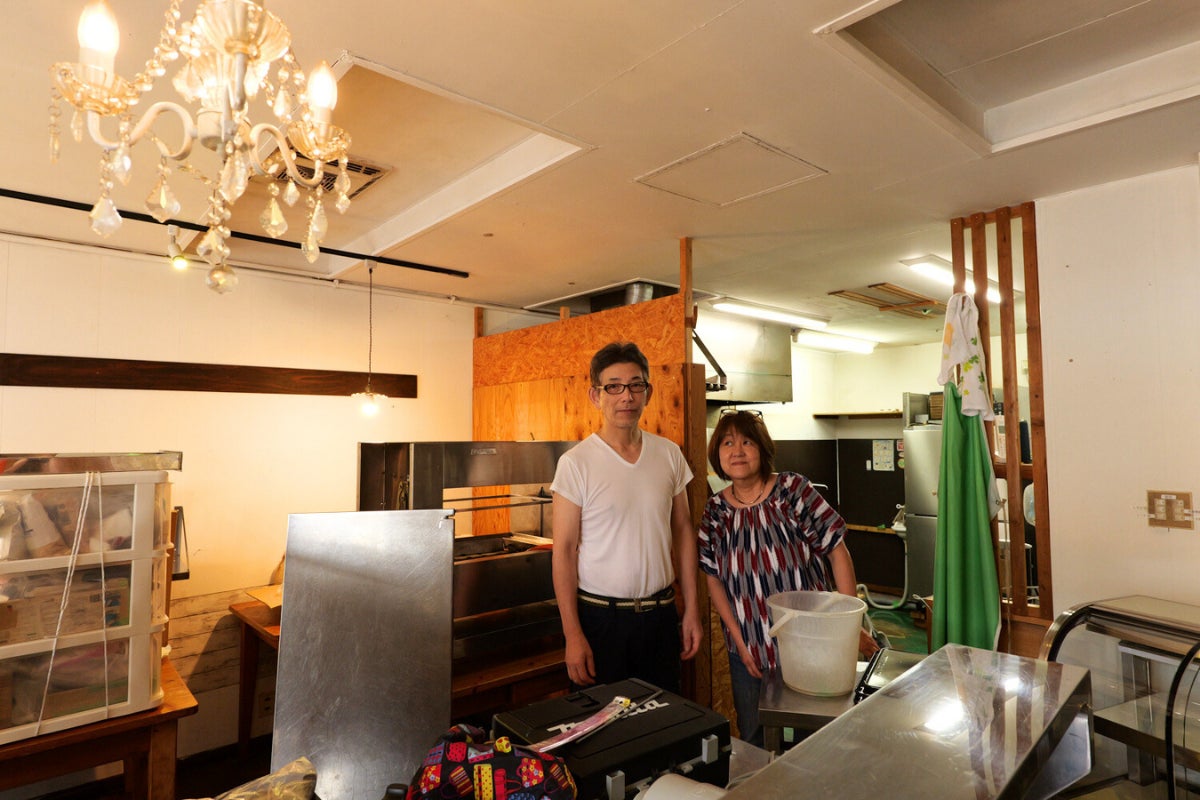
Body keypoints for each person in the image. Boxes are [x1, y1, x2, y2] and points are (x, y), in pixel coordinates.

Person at [698, 409, 878, 745]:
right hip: (749, 646)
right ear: (717, 453)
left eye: (747, 442)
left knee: (817, 738)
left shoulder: (792, 490)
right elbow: (713, 579)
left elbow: (837, 551)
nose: (737, 451)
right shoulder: (716, 511)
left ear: (762, 448)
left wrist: (848, 624)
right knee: (755, 736)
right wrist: (739, 642)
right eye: (727, 443)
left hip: (812, 642)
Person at [551, 341, 702, 693]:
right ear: (596, 395)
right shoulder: (576, 463)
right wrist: (572, 634)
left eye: (636, 385)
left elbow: (683, 532)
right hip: (600, 621)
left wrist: (692, 609)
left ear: (648, 392)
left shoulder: (669, 454)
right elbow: (564, 551)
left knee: (663, 717)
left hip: (661, 616)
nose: (627, 397)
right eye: (614, 387)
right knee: (601, 724)